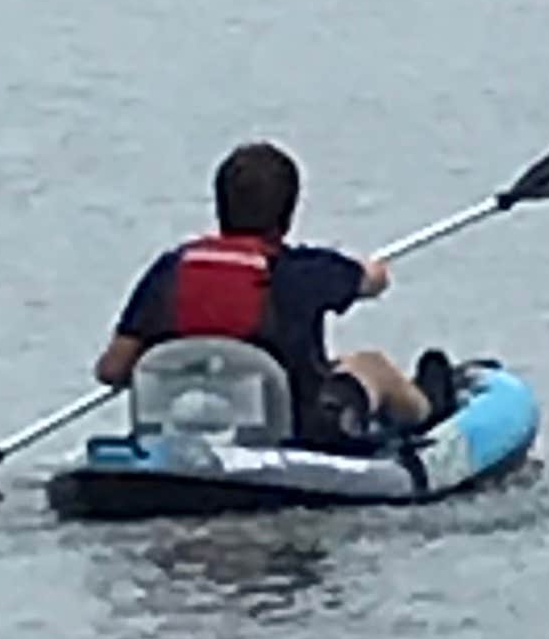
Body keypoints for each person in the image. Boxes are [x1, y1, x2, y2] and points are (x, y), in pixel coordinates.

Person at [96, 141, 450, 447]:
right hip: (303, 430)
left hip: (192, 420)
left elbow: (112, 370)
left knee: (333, 366)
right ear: (289, 214)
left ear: (220, 206)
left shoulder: (171, 270)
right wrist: (363, 269)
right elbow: (375, 279)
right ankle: (427, 413)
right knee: (371, 365)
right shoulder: (306, 271)